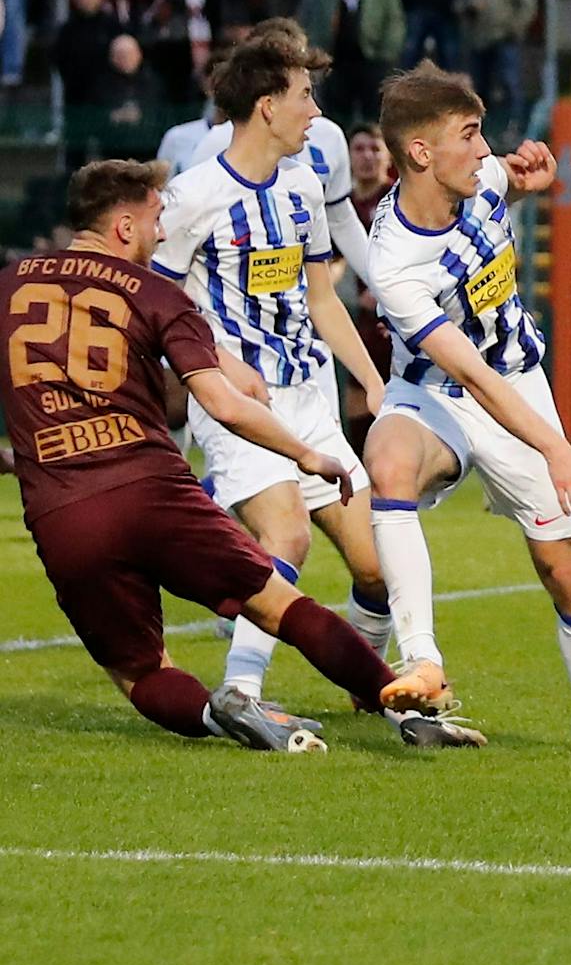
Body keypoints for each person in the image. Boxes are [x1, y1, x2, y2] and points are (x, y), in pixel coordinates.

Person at [0, 159, 447, 751]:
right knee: (281, 606)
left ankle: (220, 716)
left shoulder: (9, 283)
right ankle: (407, 714)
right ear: (125, 227)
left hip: (64, 514)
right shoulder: (157, 294)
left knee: (141, 674)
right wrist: (305, 454)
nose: (163, 235)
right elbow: (225, 404)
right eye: (157, 220)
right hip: (154, 491)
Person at [151, 38, 479, 742]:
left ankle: (370, 684)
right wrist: (213, 364)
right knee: (287, 536)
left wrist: (369, 379)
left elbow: (321, 297)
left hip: (312, 398)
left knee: (375, 567)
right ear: (266, 107)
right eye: (304, 95)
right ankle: (241, 692)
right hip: (241, 407)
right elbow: (157, 307)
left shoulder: (301, 185)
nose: (315, 110)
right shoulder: (192, 198)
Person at [361, 62, 571, 760]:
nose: (484, 150)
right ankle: (420, 659)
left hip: (518, 378)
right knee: (387, 461)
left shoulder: (480, 181)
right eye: (469, 135)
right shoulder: (392, 261)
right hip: (438, 392)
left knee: (561, 564)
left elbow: (508, 176)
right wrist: (558, 449)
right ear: (421, 153)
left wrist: (528, 177)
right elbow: (468, 375)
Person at [301, 0, 408, 128]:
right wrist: (320, 54)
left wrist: (385, 55)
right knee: (338, 113)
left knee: (373, 113)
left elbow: (394, 22)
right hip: (338, 60)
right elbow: (318, 22)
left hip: (372, 60)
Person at [455, 0, 538, 139]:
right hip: (478, 40)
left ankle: (514, 128)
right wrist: (469, 7)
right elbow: (458, 3)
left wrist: (513, 29)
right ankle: (483, 132)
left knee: (511, 85)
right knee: (479, 89)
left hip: (505, 40)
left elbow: (528, 6)